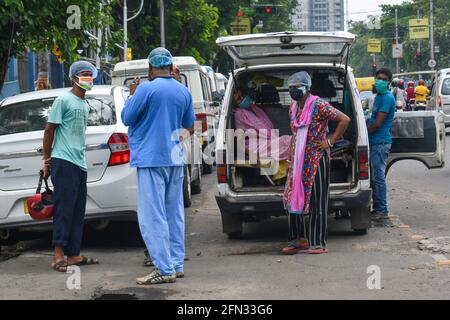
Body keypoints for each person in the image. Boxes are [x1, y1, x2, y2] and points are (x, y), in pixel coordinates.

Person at [121, 47, 195, 285]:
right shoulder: (183, 91)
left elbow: (127, 118)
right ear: (170, 65)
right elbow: (189, 124)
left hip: (151, 158)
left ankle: (163, 269)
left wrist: (132, 95)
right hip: (175, 159)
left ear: (150, 68)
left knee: (153, 216)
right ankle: (176, 264)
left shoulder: (145, 89)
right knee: (174, 213)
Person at [282, 71, 350, 255]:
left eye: (297, 87)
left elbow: (344, 120)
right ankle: (297, 239)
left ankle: (317, 242)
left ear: (306, 87)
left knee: (317, 200)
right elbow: (295, 136)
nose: (293, 90)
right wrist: (290, 159)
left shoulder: (319, 105)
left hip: (316, 159)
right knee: (292, 199)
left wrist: (330, 141)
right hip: (298, 160)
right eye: (291, 87)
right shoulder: (293, 108)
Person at [42, 61, 100, 272]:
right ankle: (57, 255)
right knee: (64, 209)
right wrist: (47, 160)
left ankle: (73, 254)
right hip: (63, 161)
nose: (88, 78)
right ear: (74, 77)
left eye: (90, 75)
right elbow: (49, 131)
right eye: (84, 75)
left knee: (78, 211)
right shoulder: (63, 100)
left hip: (79, 163)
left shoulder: (84, 104)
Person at [367, 68, 396, 220]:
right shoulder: (379, 96)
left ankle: (382, 210)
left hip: (380, 142)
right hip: (375, 142)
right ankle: (378, 208)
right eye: (379, 78)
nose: (381, 81)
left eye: (384, 79)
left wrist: (363, 134)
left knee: (378, 177)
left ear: (389, 82)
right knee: (375, 177)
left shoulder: (387, 98)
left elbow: (377, 123)